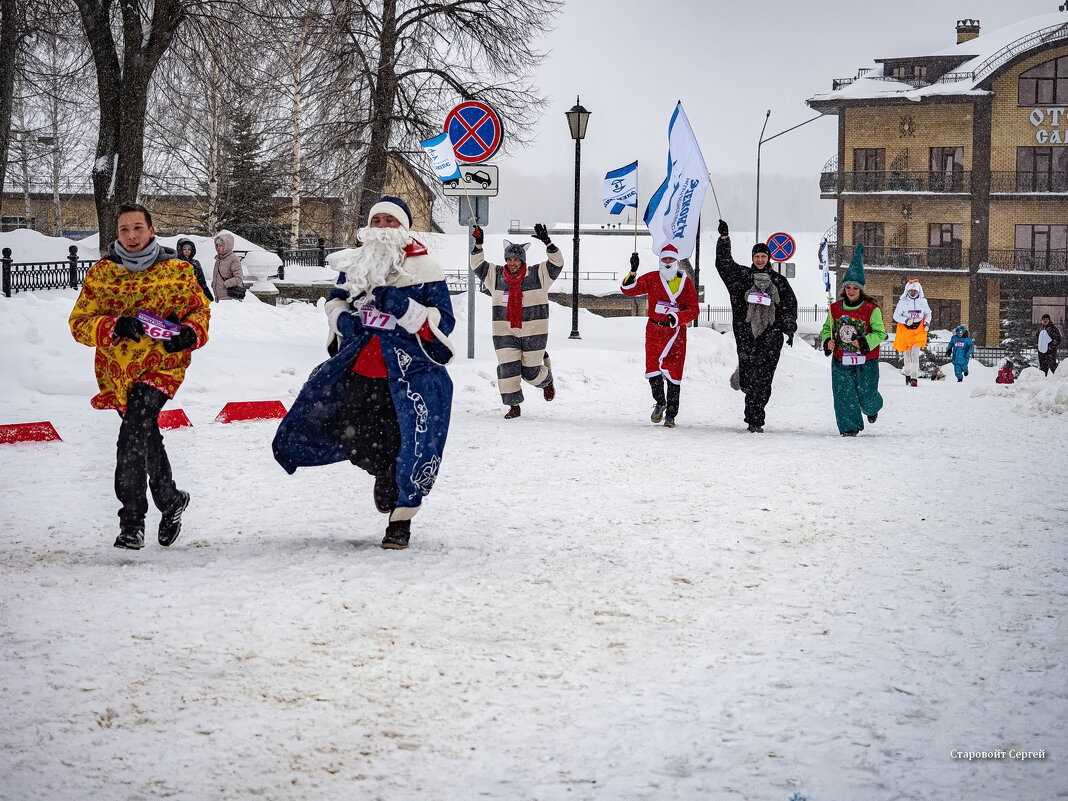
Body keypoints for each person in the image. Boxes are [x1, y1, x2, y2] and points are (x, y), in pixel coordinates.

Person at [272, 196, 455, 551]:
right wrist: (342, 319)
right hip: (360, 366)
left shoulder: (427, 269)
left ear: (403, 228)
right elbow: (335, 299)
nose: (382, 227)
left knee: (410, 445)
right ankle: (384, 474)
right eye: (378, 220)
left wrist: (405, 308)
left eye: (390, 221)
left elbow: (443, 322)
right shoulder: (355, 264)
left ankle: (400, 521)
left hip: (408, 374)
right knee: (356, 438)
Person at [68, 203, 210, 549]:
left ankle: (131, 520)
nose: (131, 236)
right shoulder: (102, 274)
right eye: (124, 230)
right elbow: (79, 324)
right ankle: (172, 499)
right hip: (118, 373)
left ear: (151, 231)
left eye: (137, 228)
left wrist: (190, 333)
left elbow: (199, 311)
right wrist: (115, 325)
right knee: (145, 435)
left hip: (162, 366)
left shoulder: (178, 270)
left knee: (133, 428)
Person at [470, 223, 563, 419]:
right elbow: (477, 265)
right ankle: (514, 406)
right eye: (509, 259)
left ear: (522, 261)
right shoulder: (495, 275)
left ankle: (546, 380)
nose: (512, 263)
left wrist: (548, 242)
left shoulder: (538, 275)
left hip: (534, 332)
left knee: (530, 373)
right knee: (507, 369)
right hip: (505, 332)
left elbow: (557, 263)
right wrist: (478, 244)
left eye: (516, 259)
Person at [714, 219, 798, 432]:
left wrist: (787, 326)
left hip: (771, 337)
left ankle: (755, 419)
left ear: (769, 258)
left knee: (764, 379)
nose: (760, 259)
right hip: (746, 335)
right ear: (752, 258)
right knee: (750, 378)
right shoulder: (743, 277)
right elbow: (724, 265)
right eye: (757, 256)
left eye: (763, 256)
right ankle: (751, 409)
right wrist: (724, 240)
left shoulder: (779, 281)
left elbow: (789, 305)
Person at [620, 242, 701, 428]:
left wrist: (678, 317)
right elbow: (629, 290)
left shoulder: (685, 283)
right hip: (655, 331)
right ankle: (660, 402)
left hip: (676, 334)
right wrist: (633, 272)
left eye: (670, 259)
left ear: (677, 261)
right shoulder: (652, 278)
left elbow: (694, 309)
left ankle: (671, 414)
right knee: (653, 371)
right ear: (659, 260)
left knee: (674, 375)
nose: (667, 262)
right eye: (664, 258)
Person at [820, 243, 886, 437]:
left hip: (866, 361)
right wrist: (827, 342)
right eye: (848, 287)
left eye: (855, 288)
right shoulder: (835, 309)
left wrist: (864, 342)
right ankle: (849, 427)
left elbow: (880, 333)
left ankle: (872, 409)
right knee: (844, 394)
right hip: (841, 360)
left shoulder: (871, 309)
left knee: (866, 395)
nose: (850, 291)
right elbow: (827, 329)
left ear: (861, 289)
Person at [892, 279, 932, 387]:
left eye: (915, 291)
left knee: (915, 352)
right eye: (911, 291)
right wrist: (905, 320)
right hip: (905, 330)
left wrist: (927, 323)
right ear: (907, 291)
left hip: (919, 329)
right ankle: (907, 373)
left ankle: (914, 377)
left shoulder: (923, 302)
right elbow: (895, 316)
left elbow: (928, 314)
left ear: (919, 291)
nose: (913, 293)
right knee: (907, 354)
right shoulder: (902, 302)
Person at [176, 237, 214, 301]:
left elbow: (201, 281)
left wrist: (207, 294)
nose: (187, 251)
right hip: (179, 295)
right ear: (180, 250)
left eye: (189, 249)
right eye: (184, 249)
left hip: (194, 295)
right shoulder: (176, 262)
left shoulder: (195, 263)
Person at [212, 232, 245, 301]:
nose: (218, 247)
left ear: (227, 245)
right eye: (217, 245)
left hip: (230, 299)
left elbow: (239, 278)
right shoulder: (218, 259)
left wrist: (225, 284)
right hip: (219, 298)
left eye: (221, 245)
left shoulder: (233, 259)